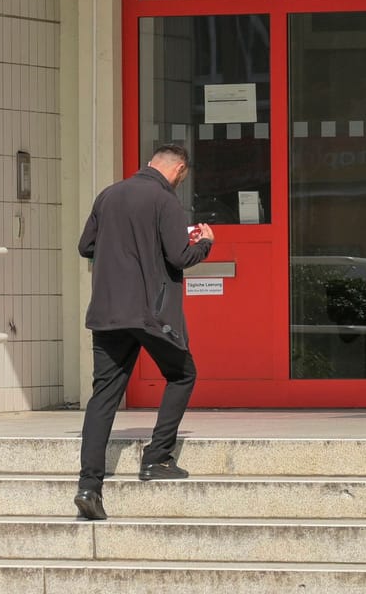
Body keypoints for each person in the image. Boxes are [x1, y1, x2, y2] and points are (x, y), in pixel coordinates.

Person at [74, 143, 214, 520]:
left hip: (106, 313)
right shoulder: (164, 200)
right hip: (151, 315)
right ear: (179, 169)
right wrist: (205, 244)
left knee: (103, 397)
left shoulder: (108, 195)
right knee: (183, 374)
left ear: (150, 163)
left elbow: (85, 246)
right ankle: (156, 458)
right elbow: (179, 256)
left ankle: (89, 486)